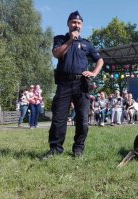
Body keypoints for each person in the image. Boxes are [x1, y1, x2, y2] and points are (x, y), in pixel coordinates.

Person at [42, 11, 104, 159]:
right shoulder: (60, 39)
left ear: (81, 25)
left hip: (81, 84)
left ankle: (78, 149)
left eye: (79, 23)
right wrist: (70, 41)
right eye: (73, 22)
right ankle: (56, 148)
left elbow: (100, 60)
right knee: (58, 118)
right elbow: (57, 54)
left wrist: (94, 73)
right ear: (68, 24)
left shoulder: (87, 44)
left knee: (82, 119)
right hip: (64, 83)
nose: (76, 25)